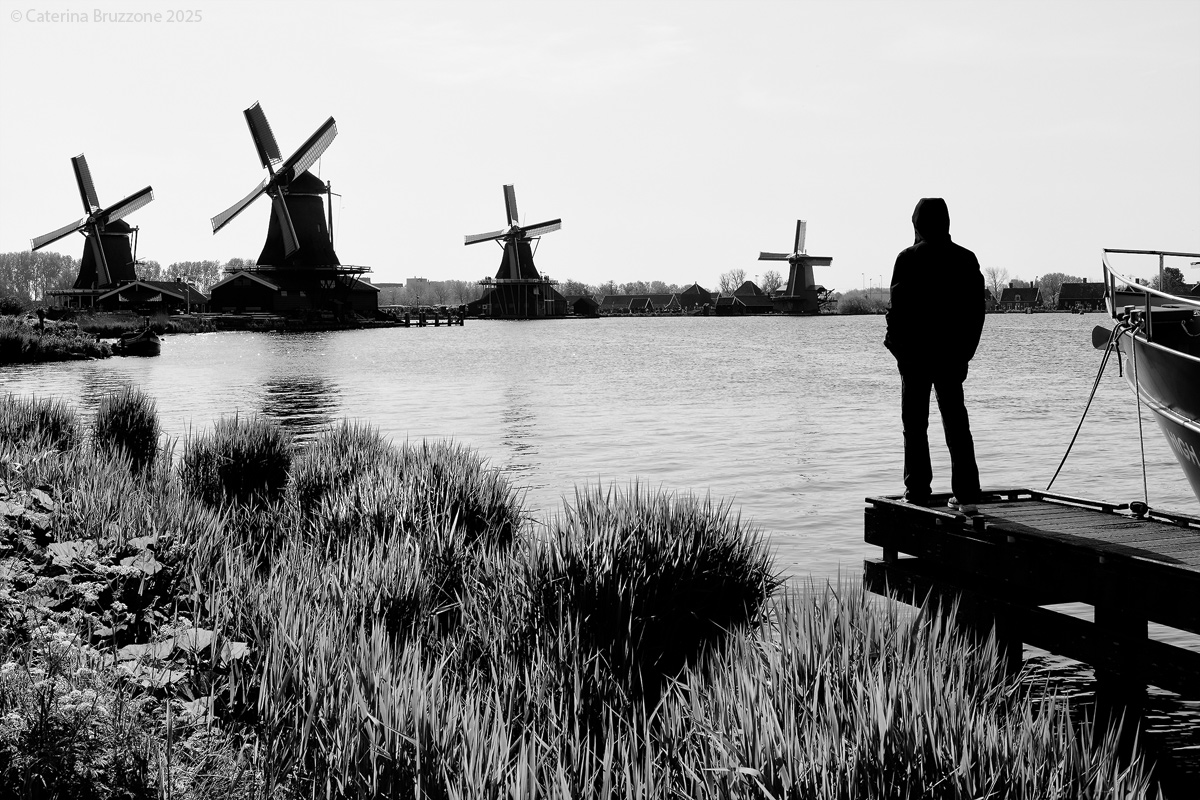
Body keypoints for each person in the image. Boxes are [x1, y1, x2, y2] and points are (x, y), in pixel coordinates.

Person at [884, 198, 985, 512]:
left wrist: (897, 349)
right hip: (952, 355)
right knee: (957, 422)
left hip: (914, 357)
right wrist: (965, 354)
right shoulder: (966, 259)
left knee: (914, 424)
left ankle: (916, 491)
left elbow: (897, 311)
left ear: (917, 224)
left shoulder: (908, 258)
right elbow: (976, 313)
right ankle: (967, 493)